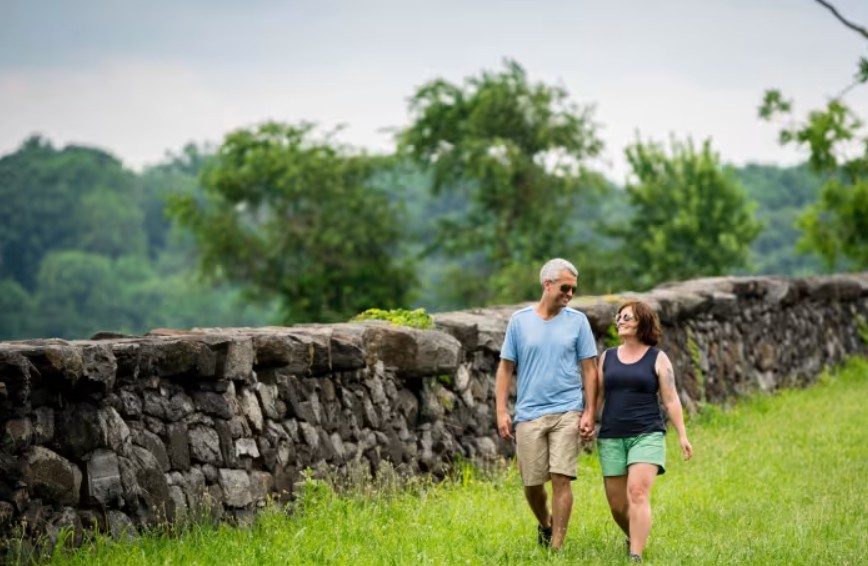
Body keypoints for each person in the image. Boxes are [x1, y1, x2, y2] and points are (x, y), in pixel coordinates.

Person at [495, 258, 599, 551]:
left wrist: (590, 411)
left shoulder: (578, 321)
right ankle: (546, 524)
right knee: (531, 484)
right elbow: (505, 368)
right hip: (529, 413)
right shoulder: (520, 321)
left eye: (573, 290)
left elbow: (590, 369)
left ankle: (557, 546)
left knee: (561, 477)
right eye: (565, 288)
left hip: (568, 409)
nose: (569, 294)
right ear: (547, 284)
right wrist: (502, 410)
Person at [596, 300, 693, 563]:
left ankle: (635, 555)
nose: (620, 321)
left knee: (637, 492)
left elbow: (671, 399)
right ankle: (634, 534)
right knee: (617, 505)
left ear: (642, 321)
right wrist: (586, 420)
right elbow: (598, 395)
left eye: (627, 317)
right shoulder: (607, 357)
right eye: (618, 317)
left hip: (646, 433)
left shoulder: (658, 358)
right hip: (612, 435)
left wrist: (682, 435)